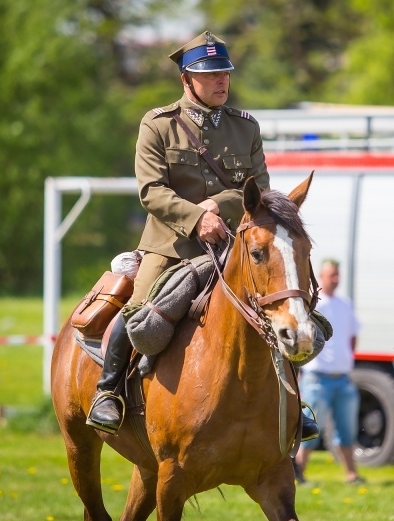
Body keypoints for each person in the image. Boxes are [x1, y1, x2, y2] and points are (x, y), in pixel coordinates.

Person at [85, 30, 320, 441]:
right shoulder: (157, 125)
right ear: (186, 79)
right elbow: (151, 190)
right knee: (139, 307)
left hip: (233, 245)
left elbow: (259, 190)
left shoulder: (245, 127)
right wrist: (195, 218)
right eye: (210, 74)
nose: (221, 81)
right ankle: (109, 391)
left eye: (224, 73)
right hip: (171, 246)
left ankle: (292, 403)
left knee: (279, 309)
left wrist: (219, 207)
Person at [294, 259, 364, 484]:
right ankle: (298, 474)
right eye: (331, 274)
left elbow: (352, 336)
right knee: (310, 429)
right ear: (321, 277)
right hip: (317, 378)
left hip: (342, 379)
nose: (335, 279)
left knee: (347, 429)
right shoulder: (313, 305)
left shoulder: (345, 304)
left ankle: (351, 474)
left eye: (337, 274)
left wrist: (345, 360)